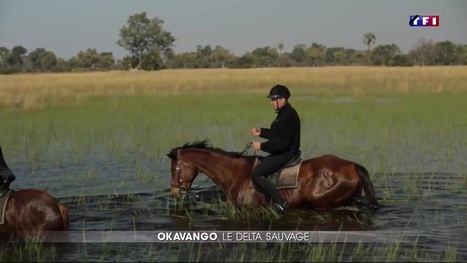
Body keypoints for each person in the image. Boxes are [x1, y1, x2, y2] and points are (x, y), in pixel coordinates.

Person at [250, 84, 301, 212]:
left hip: (286, 152)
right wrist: (261, 132)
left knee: (257, 173)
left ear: (282, 100)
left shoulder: (288, 116)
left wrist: (261, 146)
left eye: (273, 99)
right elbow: (277, 134)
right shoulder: (284, 112)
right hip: (284, 150)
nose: (271, 102)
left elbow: (281, 144)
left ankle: (281, 203)